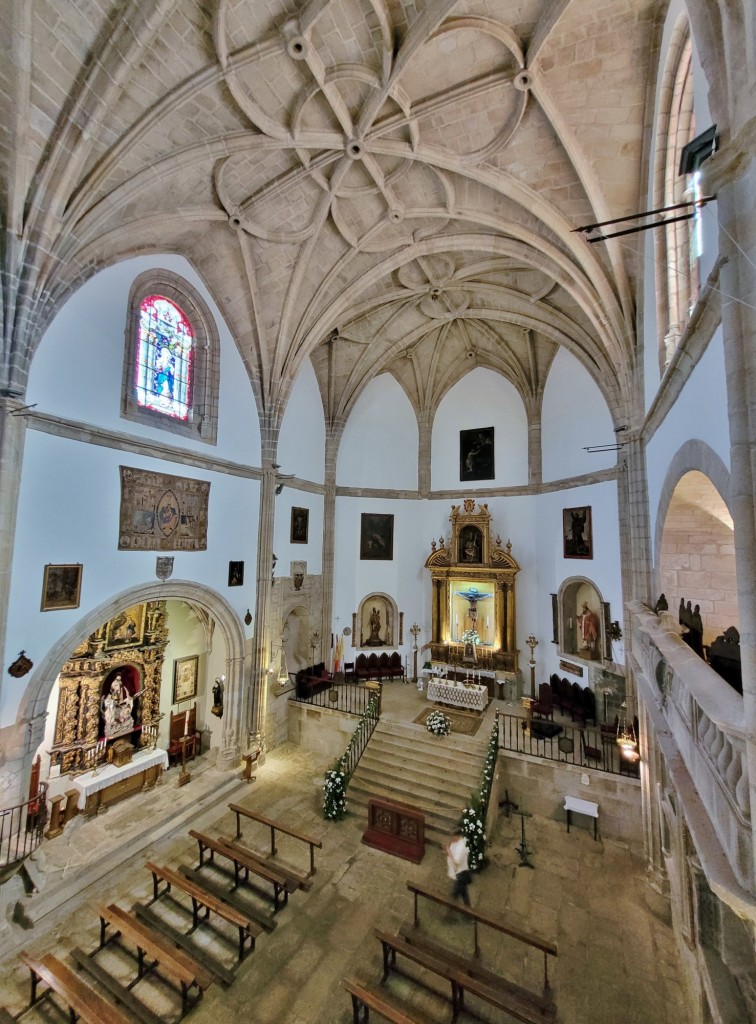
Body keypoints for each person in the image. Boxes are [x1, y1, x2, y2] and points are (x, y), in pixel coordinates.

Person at [445, 833, 472, 906]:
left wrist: (448, 851)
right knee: (464, 892)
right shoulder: (458, 842)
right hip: (460, 873)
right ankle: (467, 908)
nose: (452, 839)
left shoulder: (461, 848)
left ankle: (451, 905)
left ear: (458, 836)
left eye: (453, 838)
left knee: (456, 892)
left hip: (461, 873)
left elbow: (457, 861)